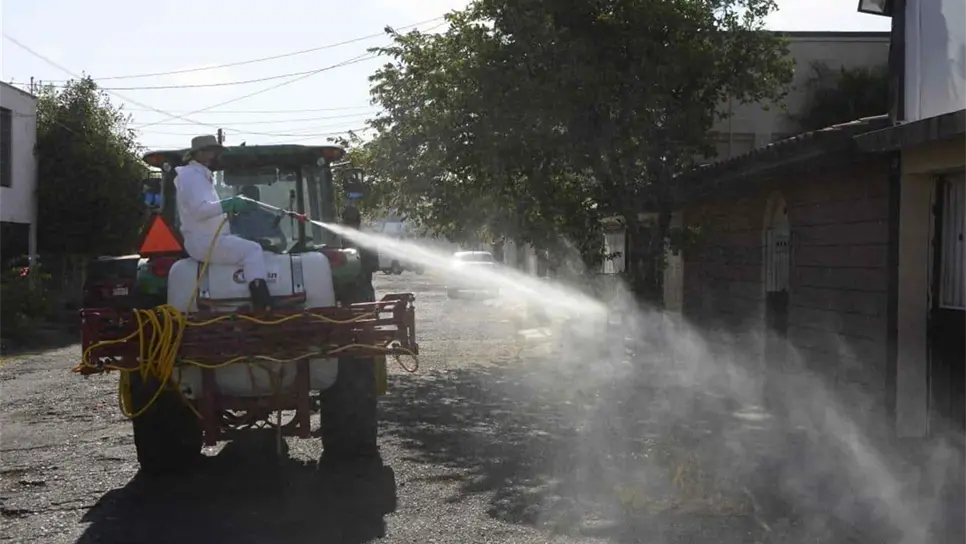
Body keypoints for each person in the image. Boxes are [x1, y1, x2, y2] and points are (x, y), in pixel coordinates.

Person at [174, 135, 273, 311]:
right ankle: (263, 304)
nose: (216, 156)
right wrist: (229, 203)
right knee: (253, 250)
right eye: (214, 152)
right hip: (205, 242)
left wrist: (228, 210)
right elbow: (199, 211)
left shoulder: (198, 175)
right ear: (201, 154)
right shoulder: (192, 177)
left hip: (205, 239)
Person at [340, 205, 379, 302]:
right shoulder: (338, 240)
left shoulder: (367, 241)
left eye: (351, 222)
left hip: (362, 293)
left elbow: (374, 266)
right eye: (348, 222)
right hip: (345, 294)